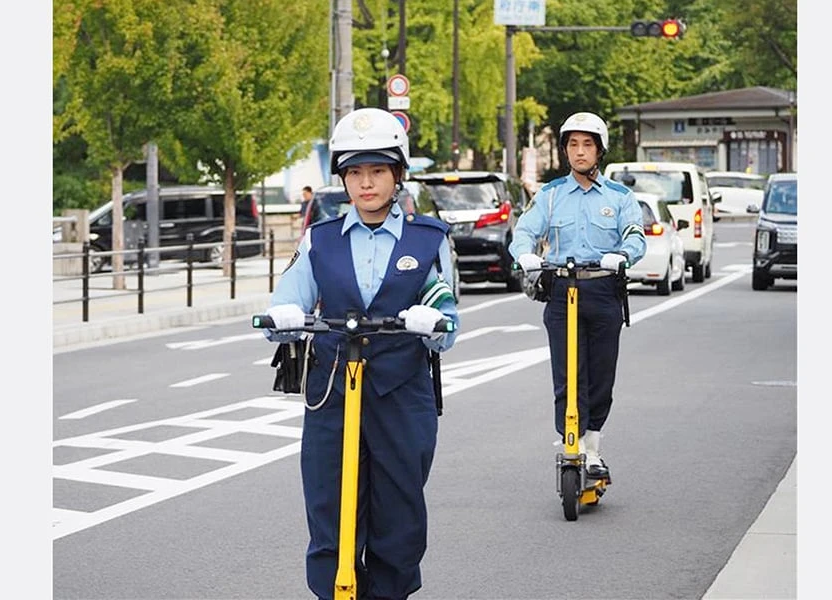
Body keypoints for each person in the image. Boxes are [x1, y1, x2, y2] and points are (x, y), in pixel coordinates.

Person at [263, 107, 459, 600]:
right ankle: (337, 591)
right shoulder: (321, 240)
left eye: (377, 170)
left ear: (398, 173)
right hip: (332, 390)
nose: (366, 183)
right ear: (343, 178)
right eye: (354, 172)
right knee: (329, 503)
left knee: (400, 511)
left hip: (402, 393)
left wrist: (433, 320)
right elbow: (289, 298)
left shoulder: (428, 239)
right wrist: (281, 315)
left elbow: (445, 312)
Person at [507, 111, 646, 479]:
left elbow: (635, 234)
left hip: (602, 289)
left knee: (600, 375)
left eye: (587, 144)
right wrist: (524, 255)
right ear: (565, 150)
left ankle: (593, 448)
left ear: (599, 150)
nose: (580, 151)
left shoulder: (620, 196)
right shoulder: (550, 195)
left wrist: (624, 254)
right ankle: (574, 442)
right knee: (567, 376)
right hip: (560, 290)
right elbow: (525, 231)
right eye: (573, 144)